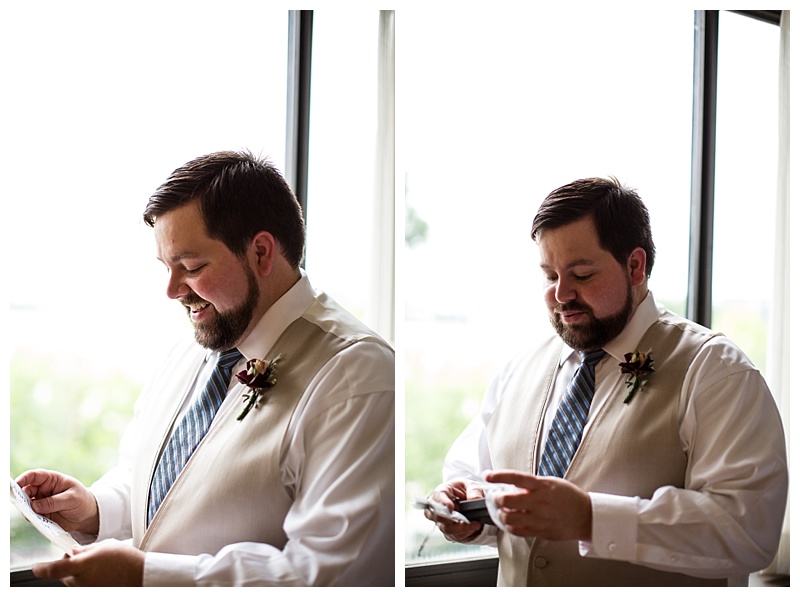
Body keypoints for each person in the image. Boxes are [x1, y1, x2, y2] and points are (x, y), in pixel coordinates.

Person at [16, 150, 395, 586]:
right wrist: (95, 508)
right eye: (166, 267)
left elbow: (331, 573)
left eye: (191, 267)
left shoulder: (357, 375)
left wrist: (148, 575)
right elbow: (159, 479)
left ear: (261, 252)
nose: (172, 290)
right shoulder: (198, 343)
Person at [425, 177, 788, 586]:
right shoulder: (518, 368)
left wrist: (591, 519)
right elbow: (474, 474)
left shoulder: (715, 370)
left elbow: (747, 531)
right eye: (549, 276)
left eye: (581, 274)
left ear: (635, 266)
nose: (562, 294)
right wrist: (467, 510)